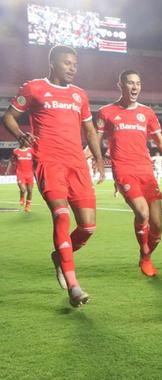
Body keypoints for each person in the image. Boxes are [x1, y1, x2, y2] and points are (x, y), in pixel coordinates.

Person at [1, 45, 105, 307]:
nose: (73, 68)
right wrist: (20, 134)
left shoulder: (80, 95)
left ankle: (60, 256)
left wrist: (100, 161)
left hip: (77, 165)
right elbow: (9, 117)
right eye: (67, 63)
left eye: (75, 64)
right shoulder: (34, 88)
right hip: (49, 162)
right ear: (53, 63)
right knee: (61, 215)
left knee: (88, 227)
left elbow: (90, 131)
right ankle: (74, 286)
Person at [97, 69, 162, 277]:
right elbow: (94, 143)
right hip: (124, 170)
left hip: (146, 171)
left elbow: (161, 143)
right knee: (142, 212)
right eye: (130, 83)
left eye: (138, 83)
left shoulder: (147, 113)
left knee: (158, 227)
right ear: (120, 85)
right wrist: (82, 157)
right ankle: (144, 252)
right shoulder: (106, 112)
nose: (135, 87)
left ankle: (146, 256)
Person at [12, 143, 35, 212]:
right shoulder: (15, 151)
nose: (23, 142)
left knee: (30, 191)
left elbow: (36, 159)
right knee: (23, 190)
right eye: (21, 141)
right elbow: (12, 160)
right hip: (20, 174)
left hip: (30, 174)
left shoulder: (31, 150)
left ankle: (27, 207)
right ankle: (22, 197)